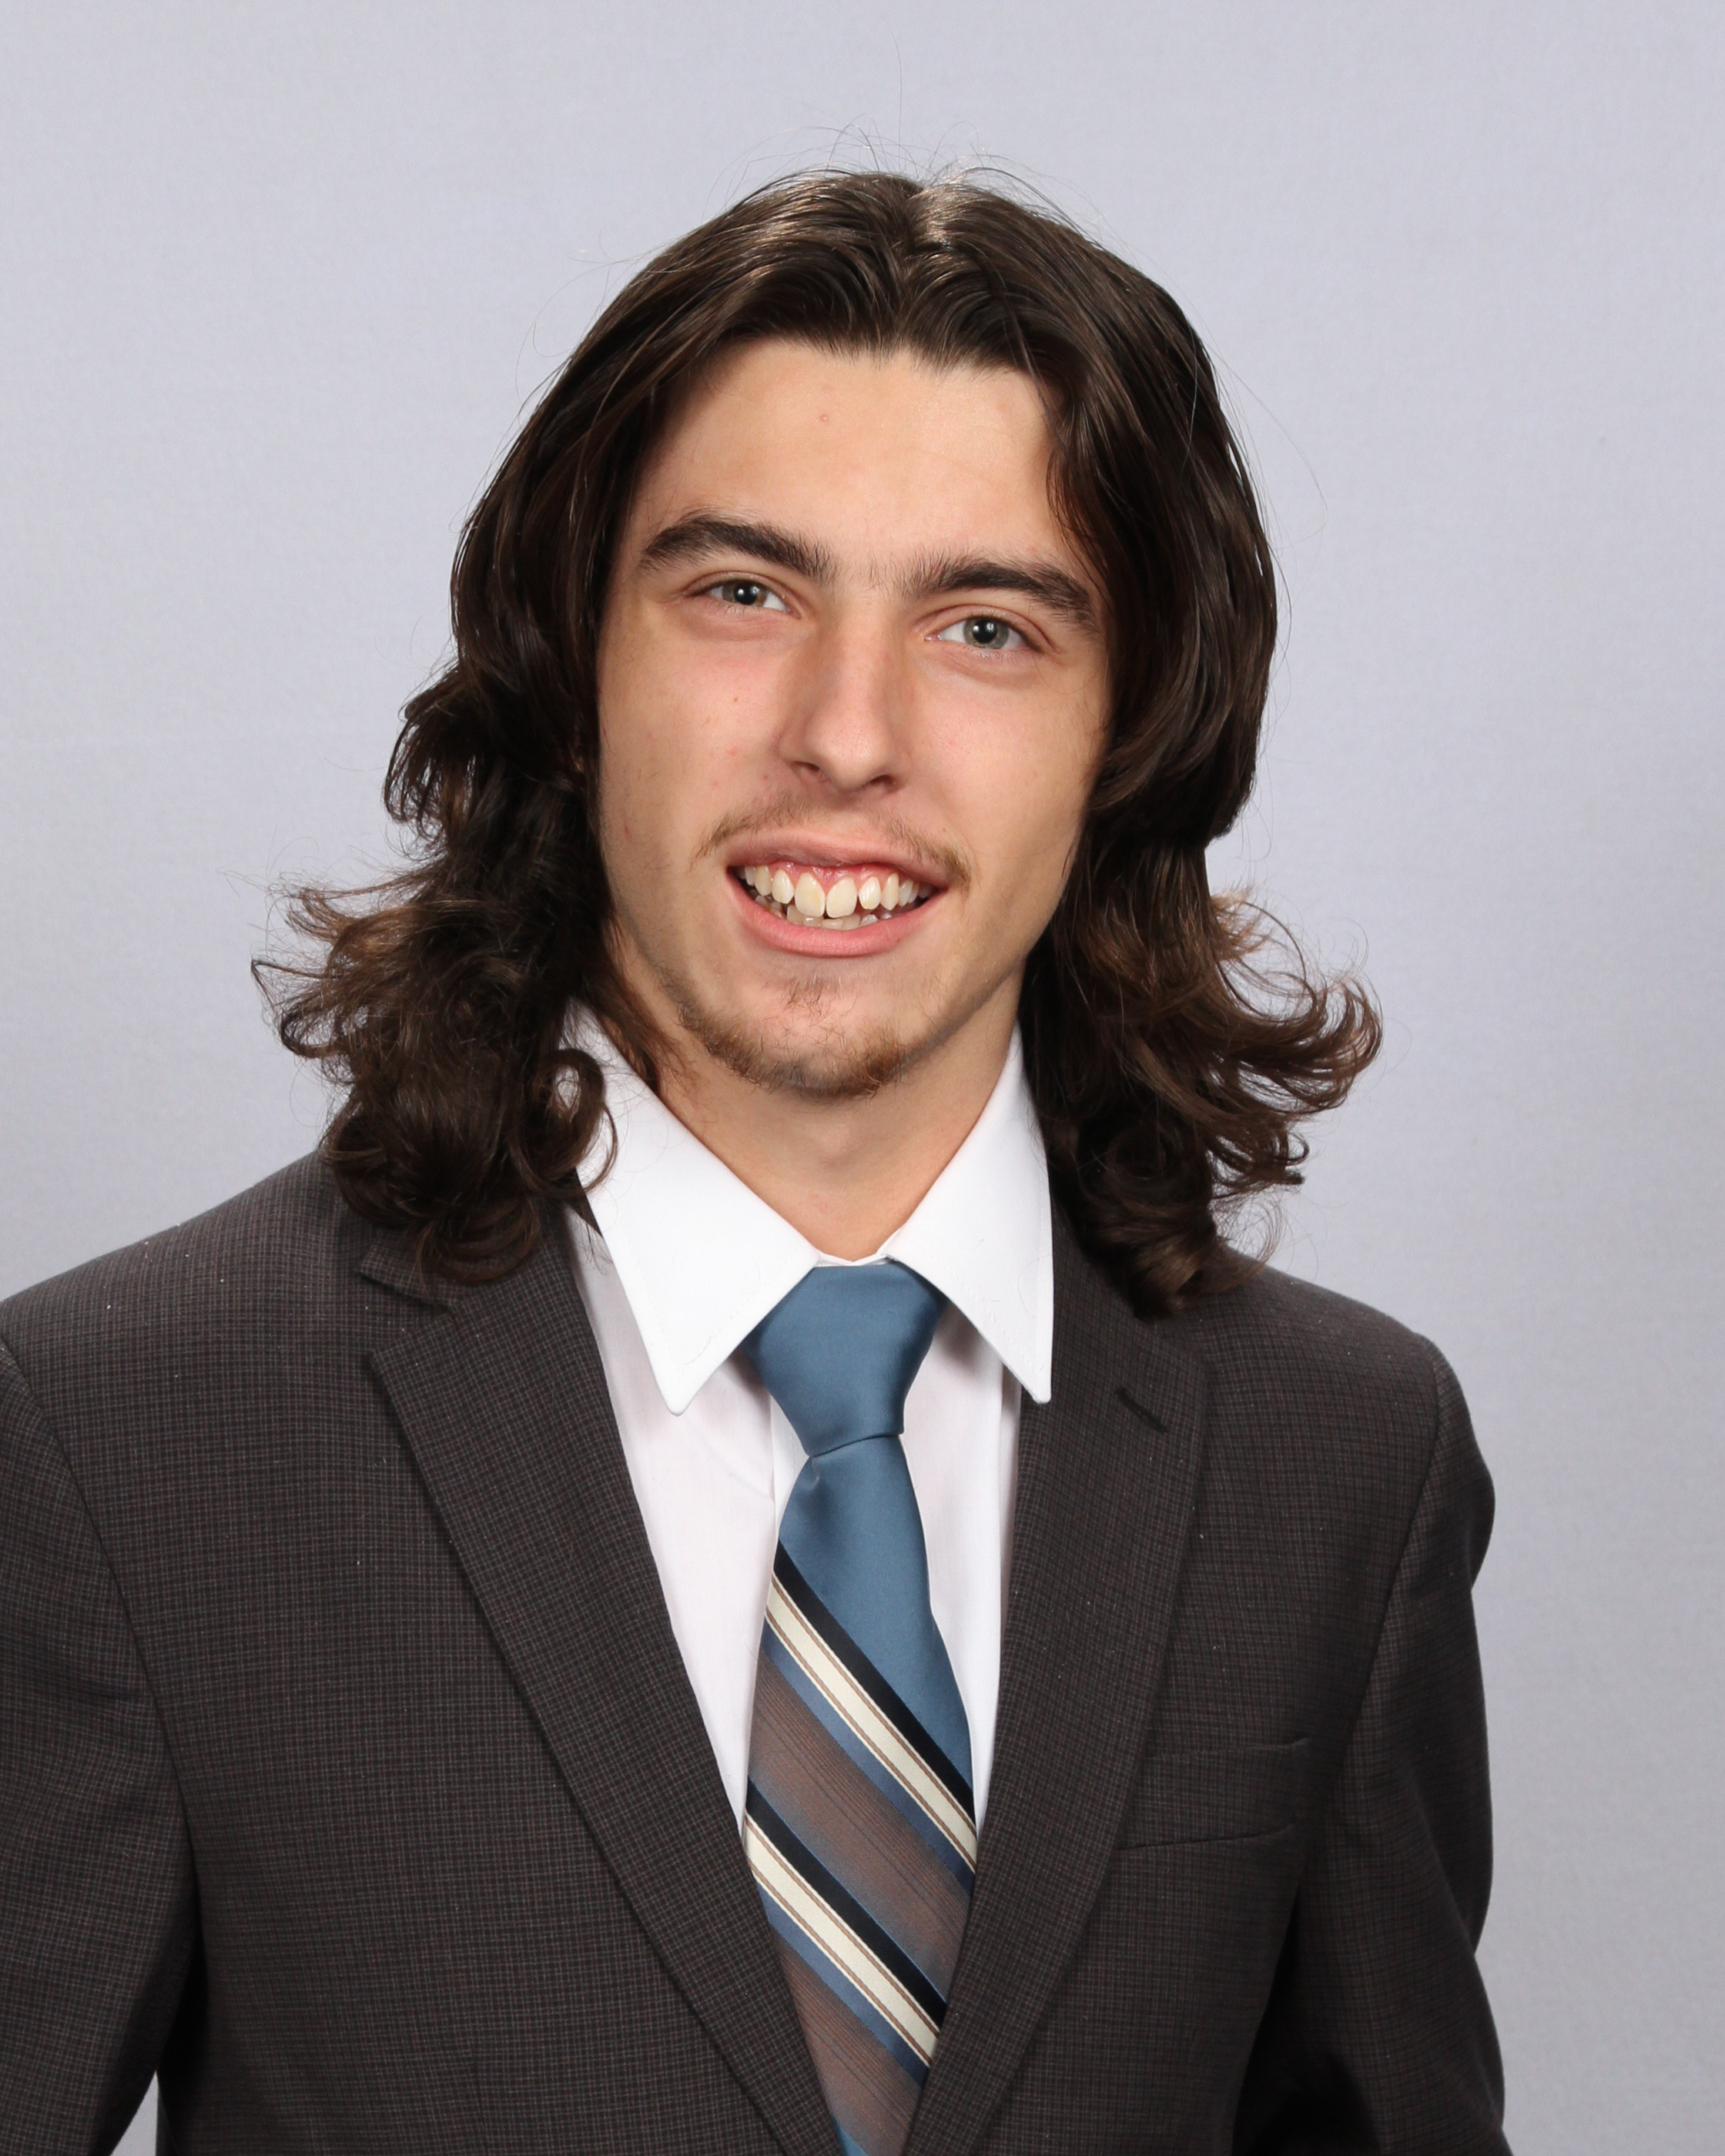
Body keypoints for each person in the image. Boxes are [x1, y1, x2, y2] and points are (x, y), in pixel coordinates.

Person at [0, 171, 1508, 2156]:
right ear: (571, 671)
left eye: (986, 626)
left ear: (1129, 735)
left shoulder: (1344, 1466)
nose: (847, 734)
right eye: (743, 595)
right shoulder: (118, 1436)